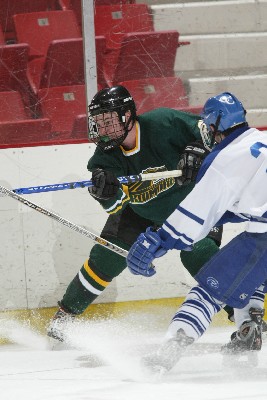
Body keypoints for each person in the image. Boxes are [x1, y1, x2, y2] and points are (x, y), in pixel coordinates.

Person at [47, 85, 225, 341]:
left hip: (192, 206)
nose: (104, 129)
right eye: (99, 122)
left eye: (109, 121)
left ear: (129, 116)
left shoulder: (165, 122)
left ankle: (245, 316)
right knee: (107, 256)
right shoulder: (104, 157)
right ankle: (65, 314)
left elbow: (214, 136)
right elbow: (116, 207)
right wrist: (106, 194)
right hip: (140, 212)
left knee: (200, 255)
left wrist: (199, 149)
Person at [126, 92, 267, 372]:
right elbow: (248, 205)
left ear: (215, 123)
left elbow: (198, 212)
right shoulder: (260, 140)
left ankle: (172, 348)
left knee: (209, 290)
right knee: (252, 268)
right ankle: (251, 316)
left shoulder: (226, 158)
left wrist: (163, 239)